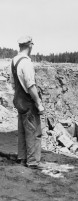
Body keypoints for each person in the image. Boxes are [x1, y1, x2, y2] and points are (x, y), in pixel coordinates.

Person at [9, 36, 45, 168]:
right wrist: (39, 104)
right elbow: (31, 86)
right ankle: (33, 161)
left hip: (18, 100)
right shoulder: (27, 63)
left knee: (23, 130)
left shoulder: (14, 61)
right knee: (34, 132)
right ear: (30, 45)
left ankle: (22, 157)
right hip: (28, 102)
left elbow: (13, 83)